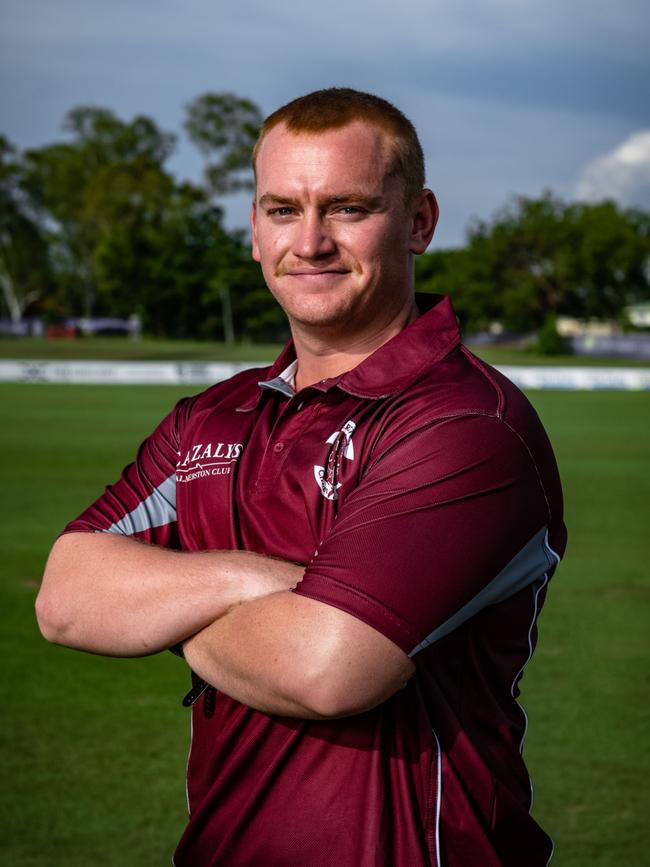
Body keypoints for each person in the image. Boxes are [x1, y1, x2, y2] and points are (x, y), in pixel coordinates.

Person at [36, 88, 567, 866]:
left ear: (418, 221)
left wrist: (161, 606)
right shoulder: (210, 420)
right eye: (283, 209)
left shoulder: (465, 426)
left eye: (347, 208)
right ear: (254, 231)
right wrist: (251, 581)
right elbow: (66, 595)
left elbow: (327, 669)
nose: (310, 241)